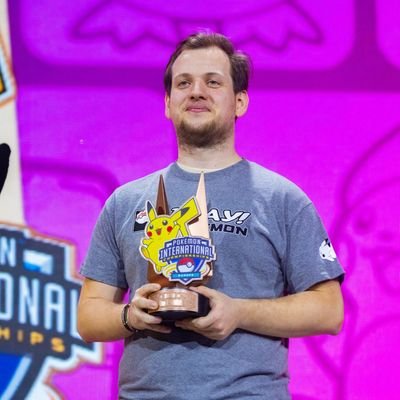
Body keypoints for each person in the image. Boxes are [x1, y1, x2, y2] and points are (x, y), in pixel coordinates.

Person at [78, 32, 344, 400]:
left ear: (240, 102)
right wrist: (130, 316)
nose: (197, 92)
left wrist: (238, 312)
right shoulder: (124, 202)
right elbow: (88, 317)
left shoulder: (283, 199)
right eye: (184, 83)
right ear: (168, 103)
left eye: (213, 82)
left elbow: (329, 311)